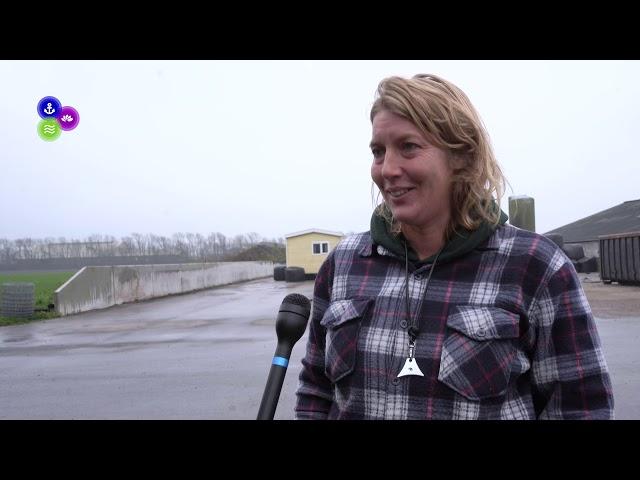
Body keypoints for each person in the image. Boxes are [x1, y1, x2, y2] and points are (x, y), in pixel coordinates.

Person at [294, 73, 614, 420]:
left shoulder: (537, 267)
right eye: (378, 151)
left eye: (408, 146)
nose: (387, 169)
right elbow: (316, 390)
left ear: (461, 156)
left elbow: (581, 407)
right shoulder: (343, 264)